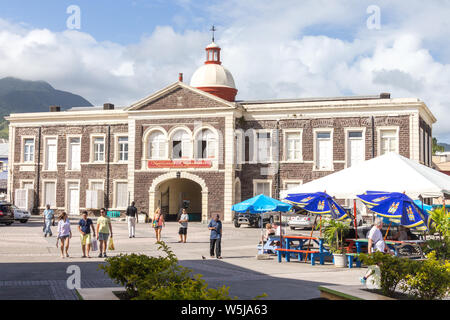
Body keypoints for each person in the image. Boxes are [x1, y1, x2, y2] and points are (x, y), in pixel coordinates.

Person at [361, 218, 386, 284]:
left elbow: (382, 240)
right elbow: (370, 241)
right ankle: (380, 281)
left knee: (377, 266)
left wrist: (388, 249)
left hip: (380, 250)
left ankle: (365, 278)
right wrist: (369, 253)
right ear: (379, 224)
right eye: (382, 223)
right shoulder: (374, 230)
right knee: (380, 266)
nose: (383, 224)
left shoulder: (378, 230)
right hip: (377, 251)